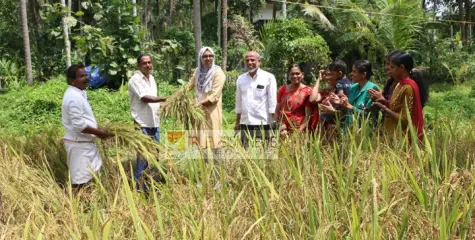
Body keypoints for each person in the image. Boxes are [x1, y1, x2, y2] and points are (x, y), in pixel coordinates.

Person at [61, 64, 111, 192]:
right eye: (81, 76)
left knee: (88, 178)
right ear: (72, 80)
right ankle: (71, 209)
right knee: (78, 182)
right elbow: (79, 125)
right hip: (79, 145)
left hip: (85, 144)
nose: (86, 78)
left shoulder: (80, 93)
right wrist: (100, 133)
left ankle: (84, 207)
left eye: (86, 75)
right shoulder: (73, 97)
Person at [128, 54, 167, 189]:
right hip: (142, 124)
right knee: (143, 156)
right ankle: (139, 187)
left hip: (154, 123)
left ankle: (152, 185)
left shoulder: (152, 79)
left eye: (150, 62)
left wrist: (168, 105)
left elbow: (155, 102)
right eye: (145, 63)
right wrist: (165, 99)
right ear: (139, 66)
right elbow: (145, 98)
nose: (148, 65)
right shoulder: (135, 79)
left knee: (155, 156)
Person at [372, 51, 428, 141]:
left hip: (402, 139)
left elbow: (405, 120)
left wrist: (385, 108)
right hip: (391, 135)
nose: (389, 69)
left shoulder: (408, 87)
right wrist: (384, 103)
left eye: (392, 67)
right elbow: (395, 107)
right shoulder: (399, 84)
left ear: (401, 67)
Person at [186, 47, 226, 159]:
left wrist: (197, 105)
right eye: (205, 56)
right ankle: (204, 167)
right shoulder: (198, 72)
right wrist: (177, 96)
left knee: (214, 137)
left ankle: (218, 169)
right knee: (200, 137)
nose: (208, 58)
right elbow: (189, 86)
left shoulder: (218, 73)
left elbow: (214, 96)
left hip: (211, 111)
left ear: (213, 57)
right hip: (198, 111)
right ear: (200, 58)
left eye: (210, 56)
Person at [235, 51, 277, 148]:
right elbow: (238, 101)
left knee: (262, 153)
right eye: (247, 60)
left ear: (259, 62)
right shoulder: (240, 79)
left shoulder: (268, 77)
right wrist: (237, 122)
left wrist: (273, 124)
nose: (250, 62)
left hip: (262, 123)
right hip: (245, 122)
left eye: (252, 60)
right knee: (246, 153)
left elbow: (272, 102)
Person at [276, 64, 316, 136]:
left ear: (302, 74)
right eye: (292, 74)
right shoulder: (282, 89)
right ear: (289, 75)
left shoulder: (308, 91)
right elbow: (277, 109)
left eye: (297, 73)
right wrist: (279, 124)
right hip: (283, 128)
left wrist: (299, 131)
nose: (295, 76)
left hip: (299, 129)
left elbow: (308, 116)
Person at [337, 60, 379, 129]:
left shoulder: (372, 89)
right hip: (348, 129)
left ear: (363, 74)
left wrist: (350, 106)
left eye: (354, 71)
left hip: (362, 132)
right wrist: (341, 103)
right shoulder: (353, 87)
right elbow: (347, 111)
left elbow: (368, 115)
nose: (351, 74)